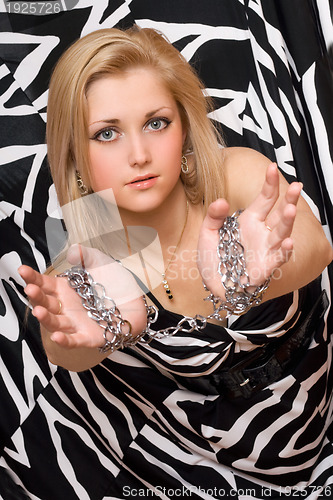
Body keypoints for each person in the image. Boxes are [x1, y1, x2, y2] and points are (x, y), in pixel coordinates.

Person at [18, 26, 333, 498]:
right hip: (192, 467)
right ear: (75, 156)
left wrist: (251, 280)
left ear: (183, 125)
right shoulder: (94, 246)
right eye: (107, 134)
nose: (139, 154)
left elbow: (316, 247)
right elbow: (65, 343)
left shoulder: (233, 175)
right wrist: (104, 331)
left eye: (156, 122)